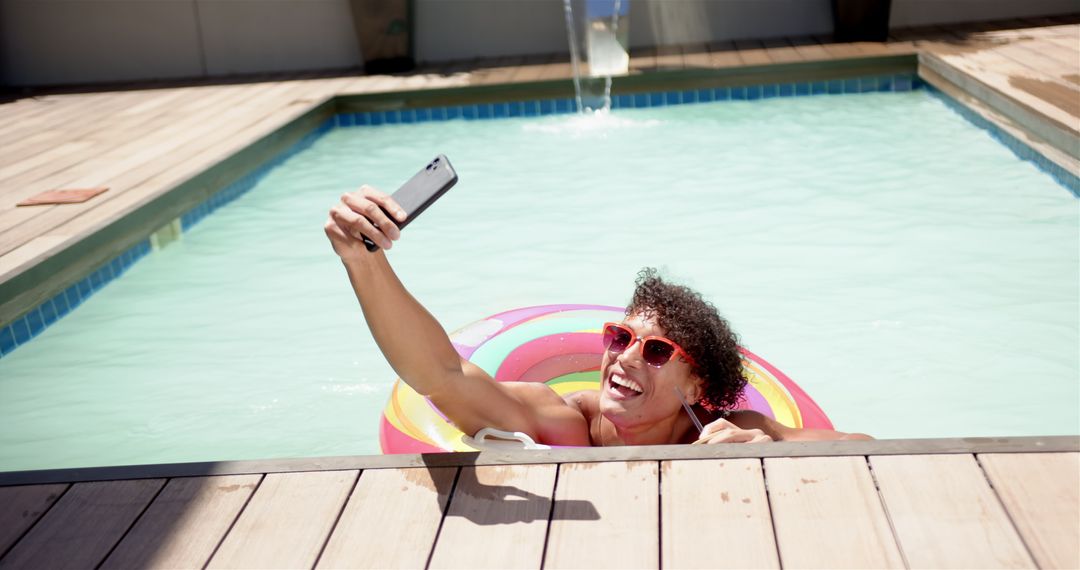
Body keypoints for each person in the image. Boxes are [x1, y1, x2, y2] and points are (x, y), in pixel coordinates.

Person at [325, 185, 872, 446]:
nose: (624, 357)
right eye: (620, 336)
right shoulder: (568, 423)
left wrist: (769, 451)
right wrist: (363, 263)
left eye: (657, 351)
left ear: (698, 381)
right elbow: (440, 376)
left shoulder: (725, 433)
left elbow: (868, 451)